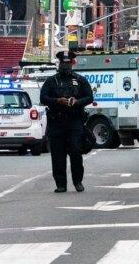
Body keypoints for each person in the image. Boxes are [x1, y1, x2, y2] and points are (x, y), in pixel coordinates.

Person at [40, 50, 93, 192]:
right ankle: (61, 184)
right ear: (59, 64)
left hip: (74, 121)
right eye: (63, 63)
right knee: (58, 155)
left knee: (76, 151)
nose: (65, 66)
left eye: (68, 63)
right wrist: (57, 101)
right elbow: (43, 98)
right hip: (56, 122)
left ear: (72, 64)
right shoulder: (51, 81)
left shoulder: (80, 80)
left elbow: (89, 97)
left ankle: (78, 181)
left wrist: (77, 102)